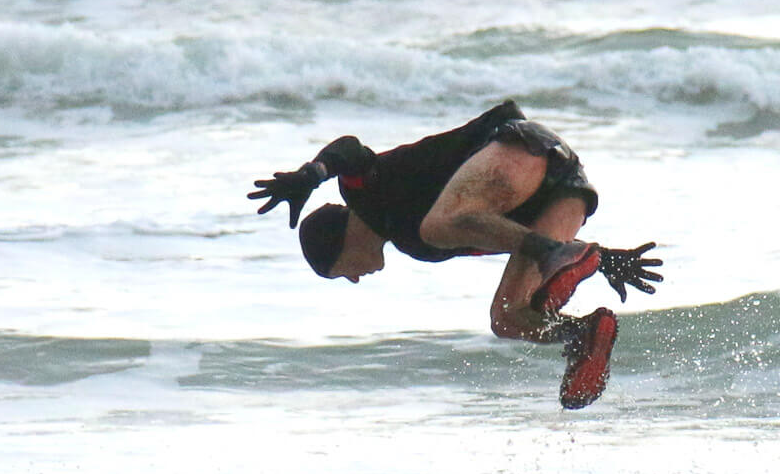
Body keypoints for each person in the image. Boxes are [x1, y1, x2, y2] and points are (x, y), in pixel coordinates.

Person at [248, 100, 662, 409]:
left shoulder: (364, 195)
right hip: (564, 191)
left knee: (437, 224)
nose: (354, 279)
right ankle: (581, 334)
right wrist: (605, 259)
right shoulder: (416, 246)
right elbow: (507, 235)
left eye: (341, 274)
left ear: (336, 246)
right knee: (507, 317)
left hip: (521, 150)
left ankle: (557, 256)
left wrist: (312, 174)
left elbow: (350, 149)